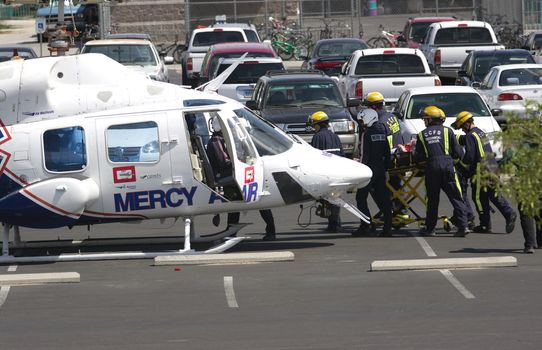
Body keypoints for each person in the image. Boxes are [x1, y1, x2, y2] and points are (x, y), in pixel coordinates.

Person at [206, 117, 276, 241]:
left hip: (231, 173)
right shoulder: (217, 141)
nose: (233, 130)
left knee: (259, 199)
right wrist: (241, 161)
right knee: (249, 201)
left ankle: (233, 232)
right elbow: (223, 162)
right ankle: (232, 233)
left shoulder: (224, 140)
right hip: (225, 175)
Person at [451, 111, 517, 234]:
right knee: (493, 194)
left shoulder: (471, 135)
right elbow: (465, 140)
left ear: (466, 124)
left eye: (462, 127)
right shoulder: (480, 132)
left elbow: (470, 156)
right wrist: (455, 138)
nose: (462, 130)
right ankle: (509, 213)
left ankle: (485, 225)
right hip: (492, 167)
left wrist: (461, 165)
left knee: (478, 198)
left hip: (481, 170)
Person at [414, 106, 469, 237]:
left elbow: (418, 156)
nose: (424, 121)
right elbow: (458, 152)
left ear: (430, 119)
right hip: (448, 166)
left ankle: (430, 228)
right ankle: (463, 226)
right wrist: (451, 161)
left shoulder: (421, 134)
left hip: (432, 168)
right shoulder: (448, 131)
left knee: (432, 200)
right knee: (456, 197)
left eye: (425, 119)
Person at [364, 91, 407, 220]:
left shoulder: (379, 123)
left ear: (373, 107)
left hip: (387, 160)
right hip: (398, 158)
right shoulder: (391, 117)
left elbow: (380, 145)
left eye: (367, 107)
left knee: (374, 186)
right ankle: (400, 210)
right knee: (395, 185)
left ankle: (388, 210)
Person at [353, 108, 393, 237]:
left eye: (362, 120)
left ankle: (367, 225)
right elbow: (388, 153)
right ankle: (387, 227)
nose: (361, 124)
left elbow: (365, 155)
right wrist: (386, 169)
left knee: (360, 198)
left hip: (369, 170)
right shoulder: (383, 131)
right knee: (384, 199)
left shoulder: (367, 134)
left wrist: (360, 171)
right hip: (381, 169)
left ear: (368, 118)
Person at [308, 111, 344, 232]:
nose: (313, 128)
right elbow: (342, 154)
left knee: (328, 199)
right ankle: (336, 223)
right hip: (338, 172)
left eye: (314, 125)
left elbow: (314, 156)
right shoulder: (335, 136)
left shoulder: (317, 137)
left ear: (318, 124)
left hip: (326, 173)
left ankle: (333, 225)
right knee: (336, 197)